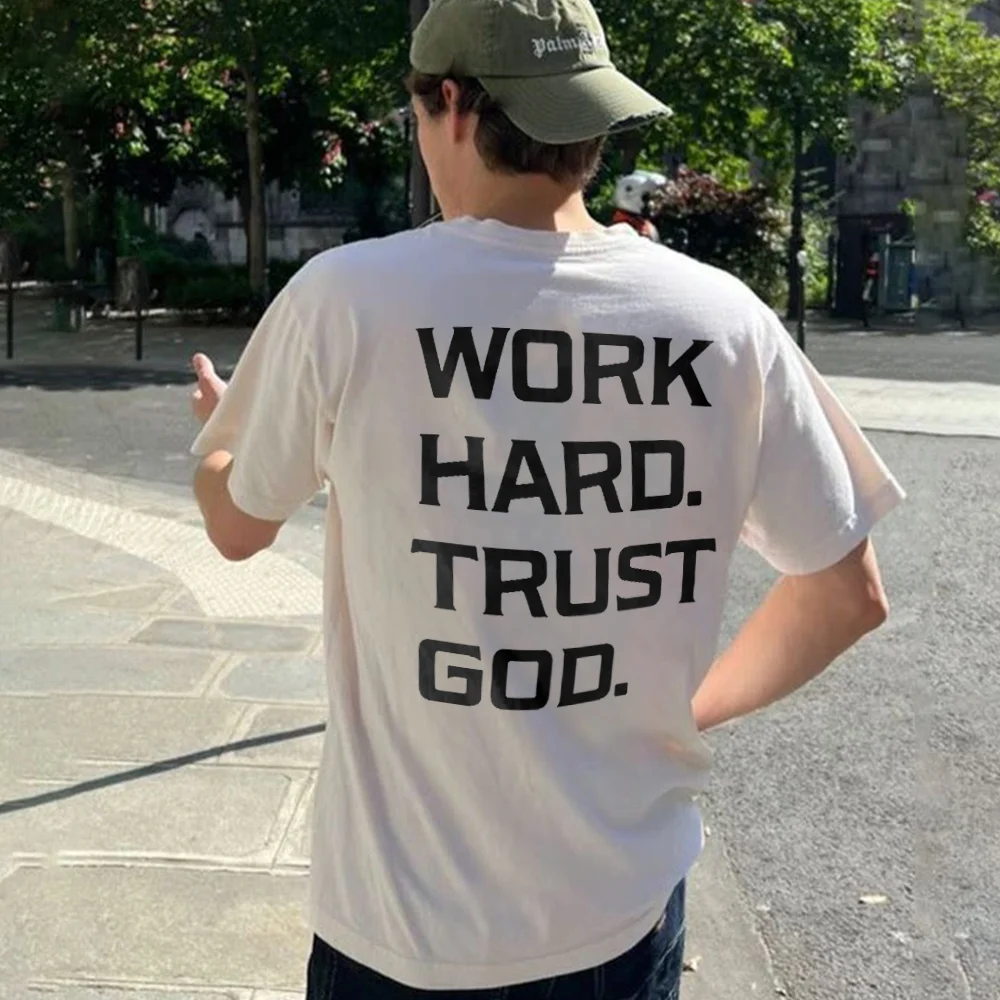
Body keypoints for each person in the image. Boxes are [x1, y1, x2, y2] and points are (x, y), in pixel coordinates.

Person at [189, 0, 905, 997]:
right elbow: (846, 593)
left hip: (404, 928)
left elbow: (235, 526)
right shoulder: (723, 320)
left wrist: (225, 437)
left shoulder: (348, 297)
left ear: (448, 103)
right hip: (622, 914)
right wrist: (680, 708)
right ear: (590, 119)